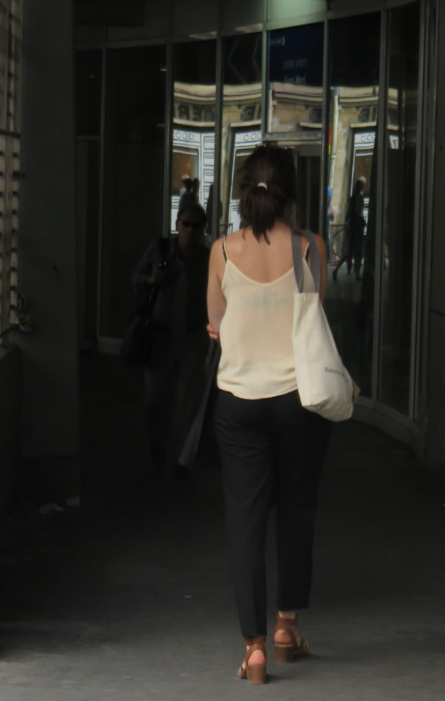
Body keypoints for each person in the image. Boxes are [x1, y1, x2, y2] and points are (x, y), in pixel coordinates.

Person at [205, 145, 333, 684]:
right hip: (300, 400)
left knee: (245, 520)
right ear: (290, 193)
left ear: (243, 192)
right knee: (297, 510)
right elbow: (316, 313)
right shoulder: (310, 248)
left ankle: (253, 649)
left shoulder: (222, 251)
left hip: (238, 403)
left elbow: (215, 324)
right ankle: (286, 628)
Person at [131, 200, 211, 474]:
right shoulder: (160, 249)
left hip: (193, 335)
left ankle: (182, 459)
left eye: (196, 226)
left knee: (189, 401)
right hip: (160, 334)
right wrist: (153, 280)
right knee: (156, 398)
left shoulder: (207, 258)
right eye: (185, 224)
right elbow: (135, 277)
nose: (190, 231)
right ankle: (157, 451)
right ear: (177, 224)